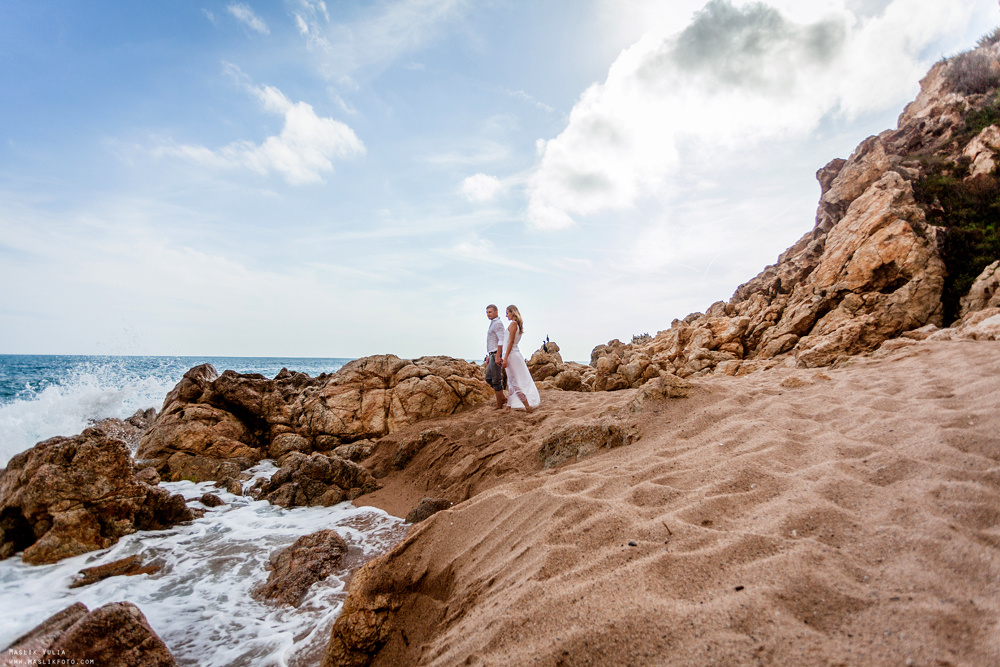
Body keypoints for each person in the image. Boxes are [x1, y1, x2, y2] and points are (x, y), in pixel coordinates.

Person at [500, 304, 541, 413]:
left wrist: (505, 358)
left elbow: (511, 342)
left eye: (507, 313)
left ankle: (527, 406)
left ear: (512, 313)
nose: (506, 315)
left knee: (514, 381)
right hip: (513, 354)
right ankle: (508, 407)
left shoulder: (513, 324)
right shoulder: (517, 325)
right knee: (511, 380)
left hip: (511, 355)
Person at [484, 304, 506, 410]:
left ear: (496, 312)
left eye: (490, 312)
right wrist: (489, 355)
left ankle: (499, 404)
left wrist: (497, 356)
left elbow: (501, 340)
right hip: (492, 354)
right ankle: (503, 398)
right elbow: (493, 341)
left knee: (496, 379)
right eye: (487, 312)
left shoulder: (498, 324)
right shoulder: (492, 323)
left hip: (497, 354)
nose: (488, 314)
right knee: (488, 378)